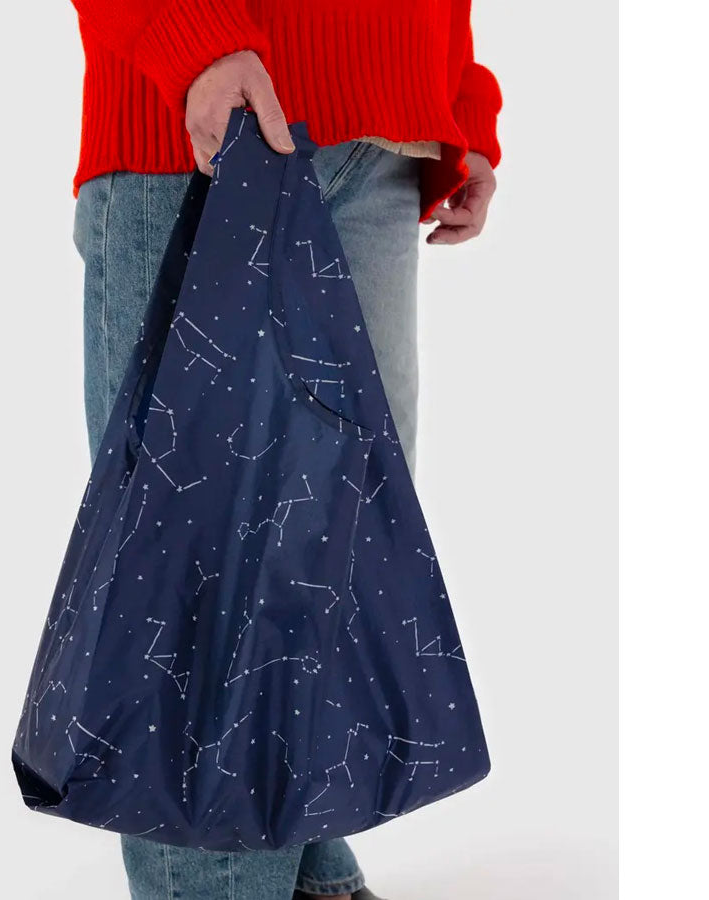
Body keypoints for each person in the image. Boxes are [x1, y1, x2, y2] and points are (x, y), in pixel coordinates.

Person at [67, 3, 501, 898]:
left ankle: (309, 873)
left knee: (335, 564)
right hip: (197, 123)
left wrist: (455, 94)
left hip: (384, 137)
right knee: (199, 590)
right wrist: (187, 35)